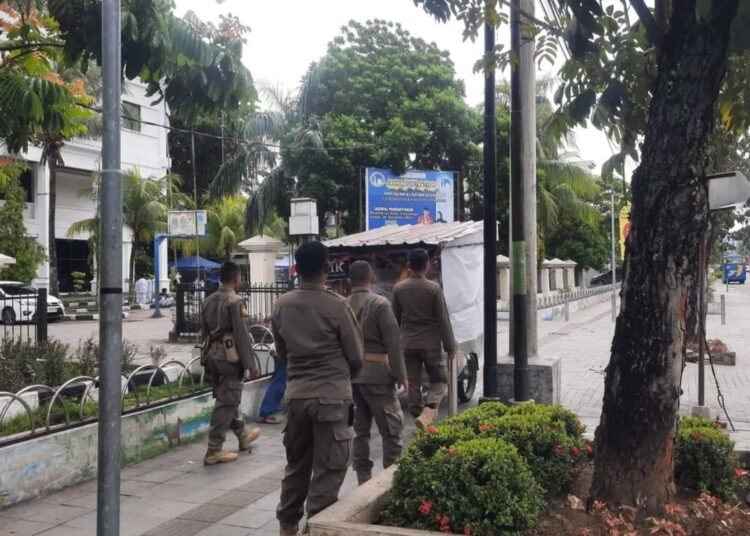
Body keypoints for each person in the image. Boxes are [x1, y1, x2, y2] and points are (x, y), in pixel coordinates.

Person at [272, 241, 363, 536]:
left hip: (296, 396)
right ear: (327, 268)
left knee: (296, 465)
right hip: (332, 398)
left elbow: (282, 352)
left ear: (296, 269)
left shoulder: (281, 305)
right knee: (330, 467)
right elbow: (356, 356)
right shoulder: (337, 305)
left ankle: (287, 526)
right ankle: (316, 527)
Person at [346, 260, 407, 486]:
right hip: (378, 376)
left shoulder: (342, 304)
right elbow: (393, 341)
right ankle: (391, 480)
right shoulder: (381, 304)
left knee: (360, 430)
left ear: (349, 281)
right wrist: (401, 374)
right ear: (372, 279)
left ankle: (363, 479)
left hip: (352, 377)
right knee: (391, 429)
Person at [199, 261, 262, 465]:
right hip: (229, 357)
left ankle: (243, 437)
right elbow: (242, 335)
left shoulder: (208, 300)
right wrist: (251, 364)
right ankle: (214, 449)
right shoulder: (235, 302)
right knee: (227, 402)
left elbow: (203, 332)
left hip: (212, 356)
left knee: (228, 396)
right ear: (236, 278)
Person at [392, 248, 456, 429]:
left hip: (408, 343)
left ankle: (418, 415)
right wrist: (450, 347)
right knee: (441, 379)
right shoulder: (433, 289)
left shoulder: (399, 289)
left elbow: (394, 320)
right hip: (430, 345)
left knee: (412, 382)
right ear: (427, 265)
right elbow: (443, 320)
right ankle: (429, 410)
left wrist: (393, 347)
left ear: (409, 266)